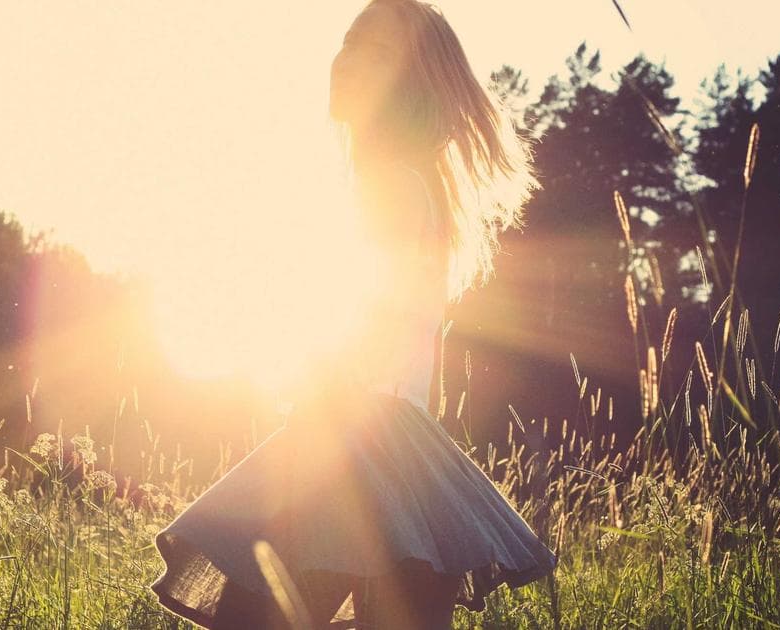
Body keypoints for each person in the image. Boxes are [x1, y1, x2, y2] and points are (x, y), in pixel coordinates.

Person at [150, 1, 558, 627]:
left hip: (354, 448)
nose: (348, 59)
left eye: (378, 50)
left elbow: (359, 319)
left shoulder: (391, 185)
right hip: (404, 458)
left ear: (416, 82)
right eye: (347, 42)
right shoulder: (411, 186)